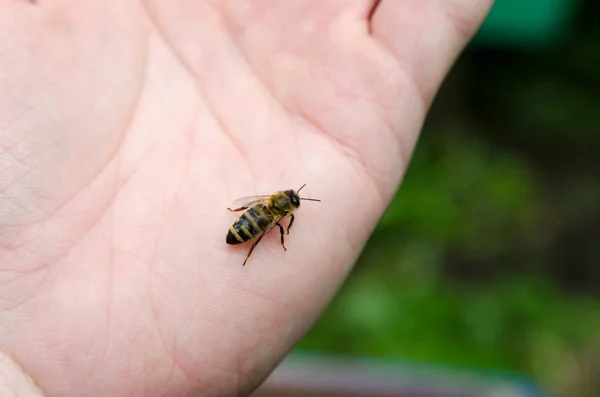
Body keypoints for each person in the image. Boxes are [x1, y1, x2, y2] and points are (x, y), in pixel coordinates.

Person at [0, 1, 493, 396]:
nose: (282, 208)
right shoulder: (279, 214)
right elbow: (267, 220)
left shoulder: (270, 206)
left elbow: (254, 210)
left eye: (283, 206)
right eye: (287, 204)